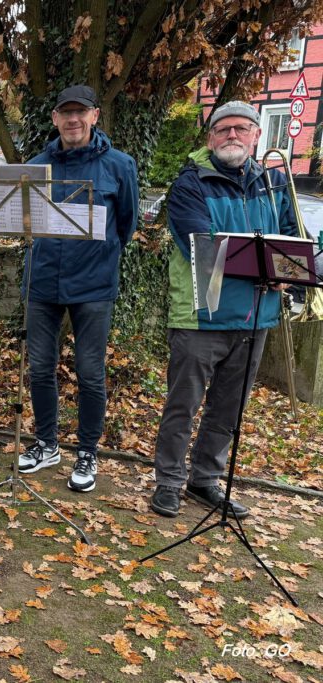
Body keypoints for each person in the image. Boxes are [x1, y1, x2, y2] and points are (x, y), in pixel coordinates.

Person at [150, 101, 297, 518]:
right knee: (184, 404)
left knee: (229, 408)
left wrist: (287, 270)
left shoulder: (274, 183)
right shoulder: (190, 184)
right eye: (223, 129)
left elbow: (292, 238)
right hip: (202, 313)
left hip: (257, 314)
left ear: (255, 136)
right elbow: (202, 243)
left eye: (241, 129)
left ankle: (204, 480)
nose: (232, 136)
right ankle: (169, 481)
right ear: (211, 138)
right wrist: (265, 265)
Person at [16, 85, 139, 493]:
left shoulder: (120, 166)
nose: (73, 120)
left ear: (95, 116)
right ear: (54, 119)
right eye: (65, 112)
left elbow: (127, 224)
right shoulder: (35, 166)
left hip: (93, 285)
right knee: (39, 368)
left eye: (80, 112)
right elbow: (22, 222)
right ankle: (46, 443)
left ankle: (87, 451)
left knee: (90, 372)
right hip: (42, 282)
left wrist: (98, 254)